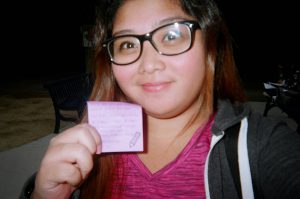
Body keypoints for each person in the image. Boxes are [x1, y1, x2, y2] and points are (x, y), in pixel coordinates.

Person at [29, 0, 300, 198]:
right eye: (127, 44)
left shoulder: (261, 147)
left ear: (211, 45)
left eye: (171, 35)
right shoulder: (93, 145)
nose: (148, 65)